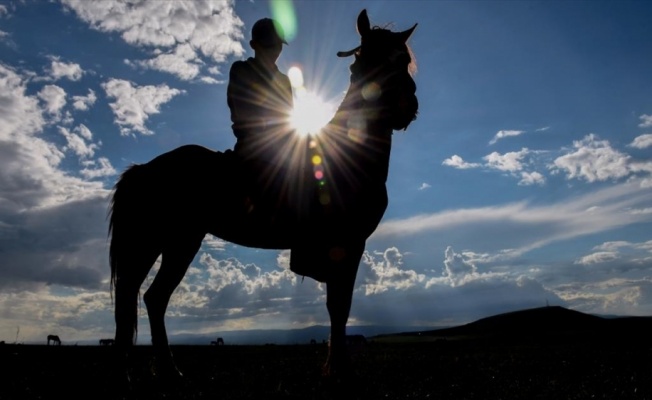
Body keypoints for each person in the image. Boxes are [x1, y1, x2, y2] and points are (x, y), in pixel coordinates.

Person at [227, 18, 294, 214]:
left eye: (278, 44)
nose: (275, 50)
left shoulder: (284, 80)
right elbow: (240, 111)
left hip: (281, 152)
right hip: (251, 150)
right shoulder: (241, 69)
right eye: (270, 44)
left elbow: (290, 117)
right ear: (254, 45)